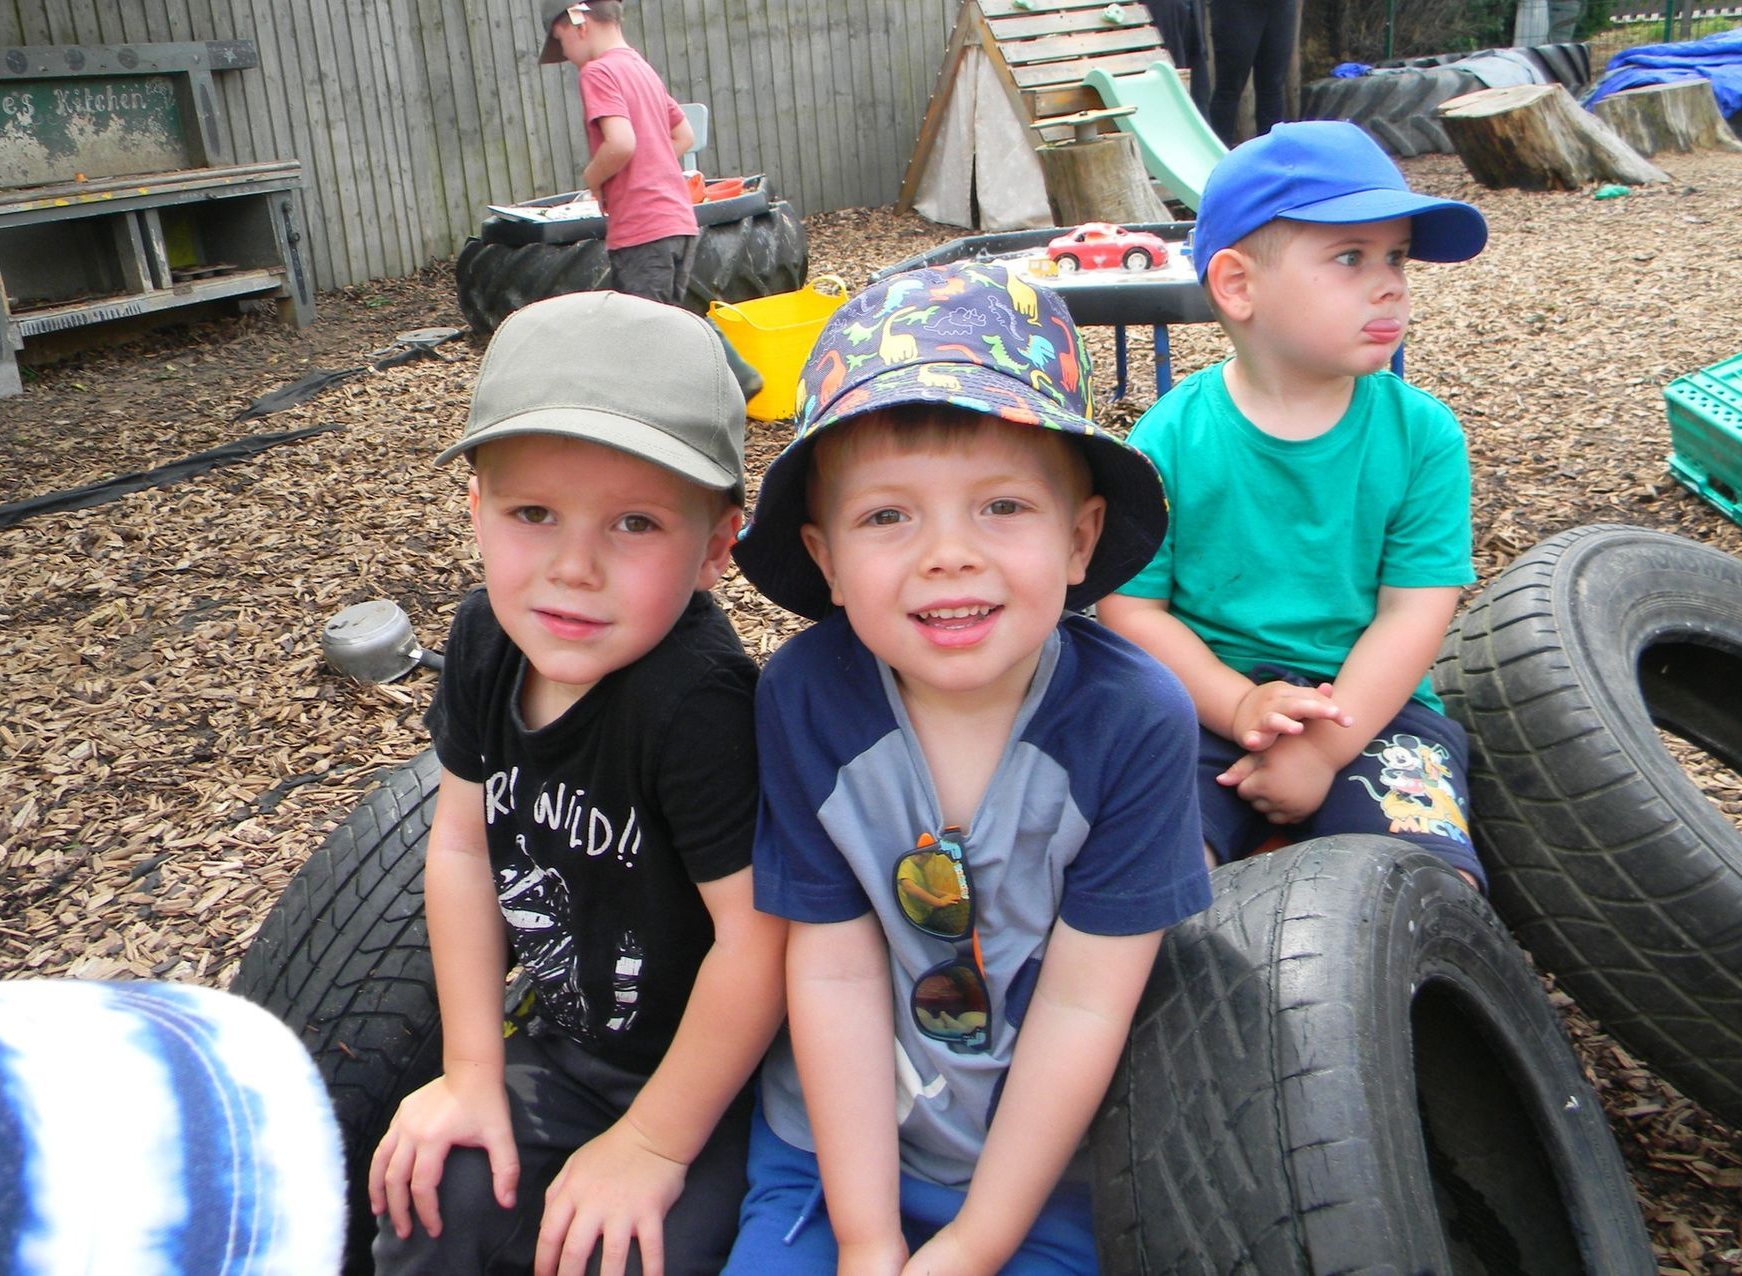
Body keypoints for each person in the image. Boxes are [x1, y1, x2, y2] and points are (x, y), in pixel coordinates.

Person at [725, 261, 1213, 1272]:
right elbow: (833, 962)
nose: (948, 554)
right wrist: (864, 1239)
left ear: (1081, 539)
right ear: (823, 558)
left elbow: (1086, 1000)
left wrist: (975, 1243)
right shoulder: (808, 699)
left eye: (1001, 506)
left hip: (1049, 1169)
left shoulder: (1133, 721)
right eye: (887, 516)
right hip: (828, 1147)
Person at [367, 290, 786, 1275]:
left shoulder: (696, 704)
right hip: (565, 1048)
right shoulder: (484, 640)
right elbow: (465, 848)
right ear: (477, 511)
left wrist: (651, 1145)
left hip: (711, 1083)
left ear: (717, 547)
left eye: (635, 523)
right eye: (532, 514)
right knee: (435, 1197)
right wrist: (470, 1072)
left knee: (633, 1252)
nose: (572, 568)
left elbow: (757, 938)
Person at [1095, 121, 1491, 890]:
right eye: (1350, 258)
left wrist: (1323, 750)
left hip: (1373, 713)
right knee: (1148, 875)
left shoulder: (1421, 436)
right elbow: (1133, 611)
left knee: (1429, 887)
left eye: (1396, 258)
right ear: (1238, 285)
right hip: (1206, 703)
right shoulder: (1172, 436)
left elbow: (1413, 613)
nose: (1391, 285)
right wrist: (1240, 704)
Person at [536, 0, 766, 400]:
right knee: (669, 319)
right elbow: (683, 136)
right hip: (677, 218)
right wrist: (652, 166)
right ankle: (733, 378)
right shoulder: (640, 67)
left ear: (579, 24)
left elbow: (621, 143)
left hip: (641, 227)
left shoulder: (598, 71)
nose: (568, 57)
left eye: (561, 43)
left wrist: (594, 177)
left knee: (643, 333)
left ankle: (710, 391)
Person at [1205, 0, 1296, 145]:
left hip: (1280, 6)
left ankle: (1269, 160)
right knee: (1229, 88)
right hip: (1237, 7)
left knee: (1272, 88)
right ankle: (1218, 159)